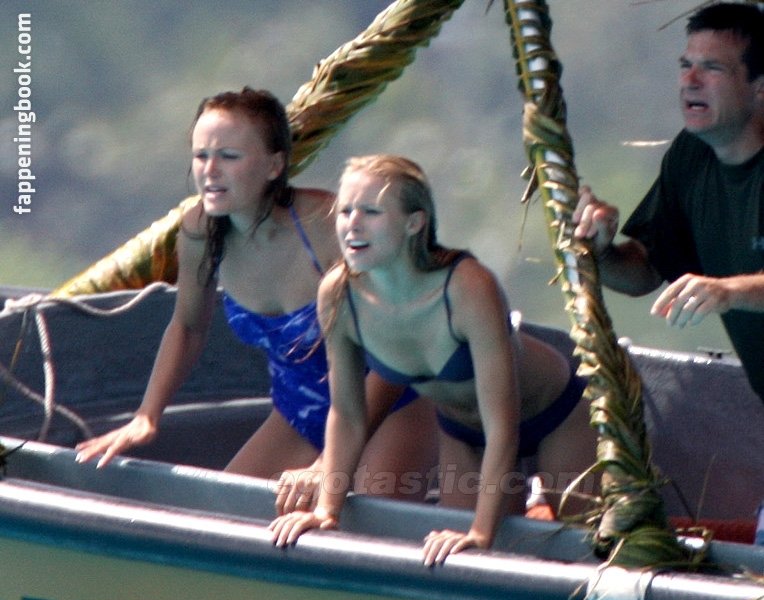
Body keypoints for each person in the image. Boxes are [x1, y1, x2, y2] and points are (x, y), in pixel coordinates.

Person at [75, 88, 438, 503]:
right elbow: (188, 327)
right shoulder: (199, 231)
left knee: (356, 527)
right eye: (201, 156)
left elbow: (403, 345)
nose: (211, 170)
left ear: (274, 165)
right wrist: (147, 415)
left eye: (229, 156)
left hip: (389, 408)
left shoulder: (330, 228)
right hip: (300, 412)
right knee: (218, 517)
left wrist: (328, 465)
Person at [269, 155, 596, 565]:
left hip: (555, 417)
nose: (353, 224)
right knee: (467, 568)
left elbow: (503, 425)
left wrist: (480, 533)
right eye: (346, 211)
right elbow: (348, 414)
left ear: (414, 223)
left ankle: (539, 508)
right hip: (463, 431)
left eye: (371, 212)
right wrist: (326, 512)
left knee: (589, 554)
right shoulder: (338, 295)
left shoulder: (468, 287)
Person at [574, 3, 764, 402]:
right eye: (685, 65)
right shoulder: (689, 157)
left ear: (759, 86)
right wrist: (601, 250)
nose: (690, 81)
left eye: (712, 68)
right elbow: (645, 272)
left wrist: (730, 291)